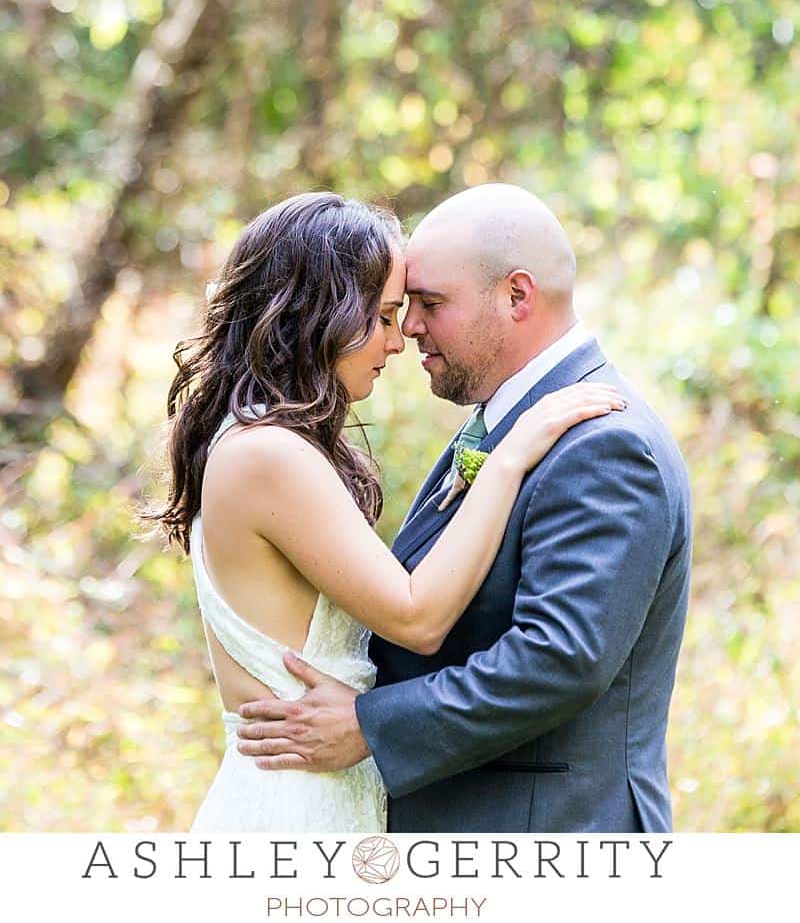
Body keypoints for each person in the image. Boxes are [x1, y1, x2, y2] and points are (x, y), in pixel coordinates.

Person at [150, 190, 625, 831]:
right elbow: (417, 616)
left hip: (323, 791)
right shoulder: (268, 455)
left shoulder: (261, 443)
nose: (399, 340)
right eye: (383, 316)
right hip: (298, 805)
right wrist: (510, 459)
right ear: (318, 315)